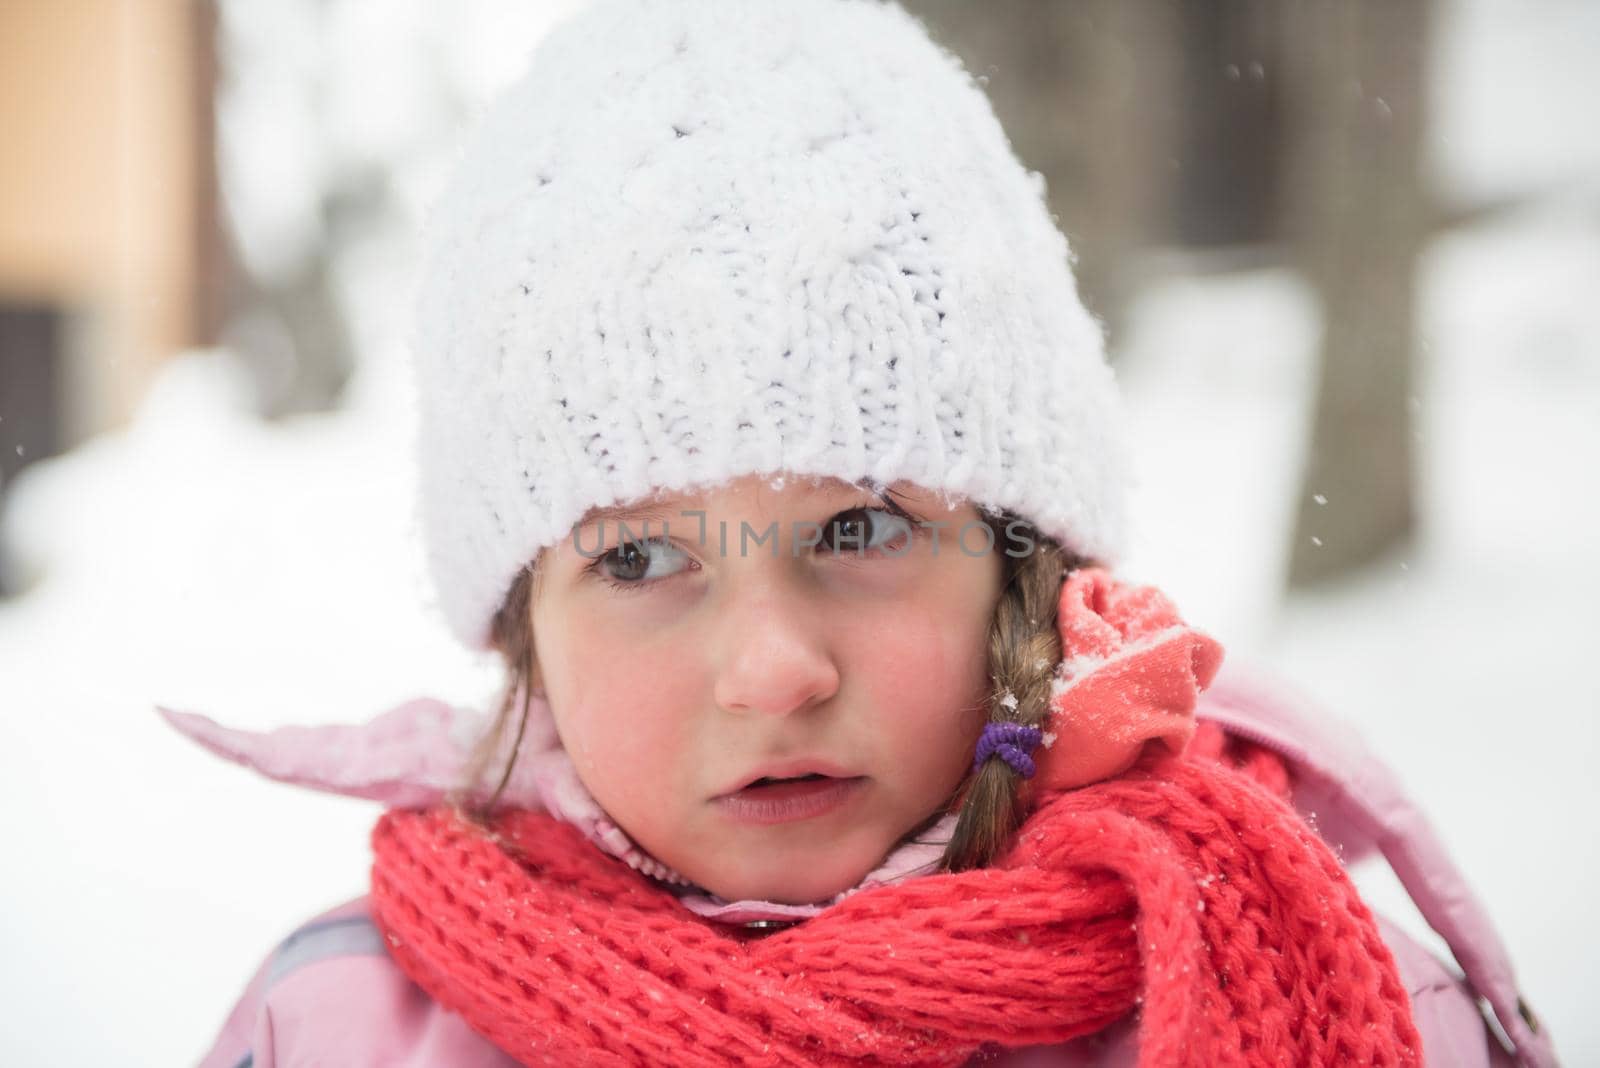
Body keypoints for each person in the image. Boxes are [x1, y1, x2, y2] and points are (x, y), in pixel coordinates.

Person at [160, 0, 1557, 1064]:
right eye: (640, 558)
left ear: (1024, 570)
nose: (774, 668)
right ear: (523, 622)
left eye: (861, 527)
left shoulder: (1305, 986)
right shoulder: (339, 1024)